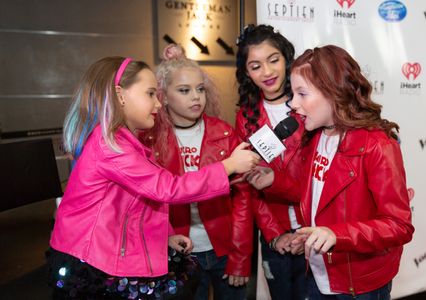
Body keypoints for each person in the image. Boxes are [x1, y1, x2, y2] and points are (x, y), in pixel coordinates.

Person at [47, 56, 260, 299]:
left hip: (103, 254)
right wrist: (228, 166)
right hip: (91, 262)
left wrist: (166, 236)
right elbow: (167, 188)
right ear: (121, 95)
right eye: (150, 94)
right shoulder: (111, 147)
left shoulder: (123, 142)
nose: (158, 105)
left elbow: (138, 205)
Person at [249, 45, 415, 299]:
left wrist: (336, 235)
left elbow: (399, 225)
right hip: (317, 272)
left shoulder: (378, 146)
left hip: (358, 285)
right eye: (293, 94)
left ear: (333, 93)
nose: (293, 103)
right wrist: (309, 234)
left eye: (302, 94)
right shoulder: (315, 138)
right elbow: (317, 196)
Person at [140, 44, 252, 300]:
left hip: (225, 249)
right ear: (163, 96)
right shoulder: (151, 139)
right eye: (184, 90)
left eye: (200, 89)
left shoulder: (224, 133)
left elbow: (243, 198)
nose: (196, 97)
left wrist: (241, 256)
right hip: (179, 251)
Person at [235, 24, 307, 300]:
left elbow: (320, 179)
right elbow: (250, 186)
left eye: (273, 60)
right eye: (255, 66)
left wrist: (303, 232)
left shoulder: (310, 105)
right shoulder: (246, 117)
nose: (266, 72)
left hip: (313, 230)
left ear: (287, 59)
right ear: (246, 73)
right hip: (273, 235)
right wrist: (275, 235)